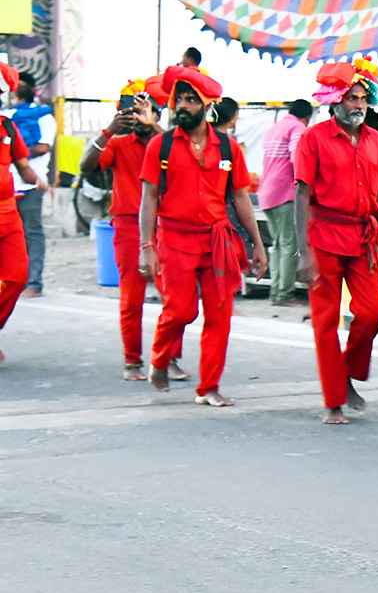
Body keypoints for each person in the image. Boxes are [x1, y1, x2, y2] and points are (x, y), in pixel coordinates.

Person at [138, 65, 267, 404]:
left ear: (207, 105)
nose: (182, 105)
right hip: (174, 240)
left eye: (191, 100)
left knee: (219, 315)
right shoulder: (160, 145)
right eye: (179, 98)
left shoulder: (228, 148)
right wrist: (146, 246)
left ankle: (208, 387)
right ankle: (159, 359)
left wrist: (257, 243)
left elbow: (240, 197)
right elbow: (149, 197)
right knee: (180, 311)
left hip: (216, 240)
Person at [295, 59, 378, 425]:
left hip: (364, 238)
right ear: (335, 101)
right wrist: (303, 253)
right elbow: (302, 195)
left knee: (373, 311)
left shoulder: (376, 141)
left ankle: (346, 372)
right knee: (325, 321)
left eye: (363, 99)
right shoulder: (313, 138)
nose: (358, 105)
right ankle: (333, 399)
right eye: (351, 98)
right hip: (323, 237)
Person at [79, 77, 187, 381]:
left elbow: (188, 158)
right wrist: (108, 131)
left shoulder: (166, 141)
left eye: (146, 111)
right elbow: (86, 166)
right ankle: (133, 362)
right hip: (128, 225)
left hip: (167, 226)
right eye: (134, 112)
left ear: (156, 113)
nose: (138, 118)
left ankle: (167, 358)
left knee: (176, 299)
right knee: (132, 298)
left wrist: (154, 128)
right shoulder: (118, 143)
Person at [0, 63, 49, 362]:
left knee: (17, 277)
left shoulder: (7, 126)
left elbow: (22, 165)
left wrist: (38, 180)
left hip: (8, 213)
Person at [258, 99, 313, 306]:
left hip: (267, 192)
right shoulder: (297, 128)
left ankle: (276, 291)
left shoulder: (275, 128)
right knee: (289, 243)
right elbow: (296, 159)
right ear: (307, 117)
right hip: (285, 192)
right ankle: (284, 294)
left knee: (279, 245)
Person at [3, 80, 54, 298]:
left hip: (30, 184)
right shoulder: (7, 117)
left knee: (31, 233)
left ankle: (33, 283)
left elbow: (43, 148)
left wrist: (15, 152)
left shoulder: (43, 117)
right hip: (11, 185)